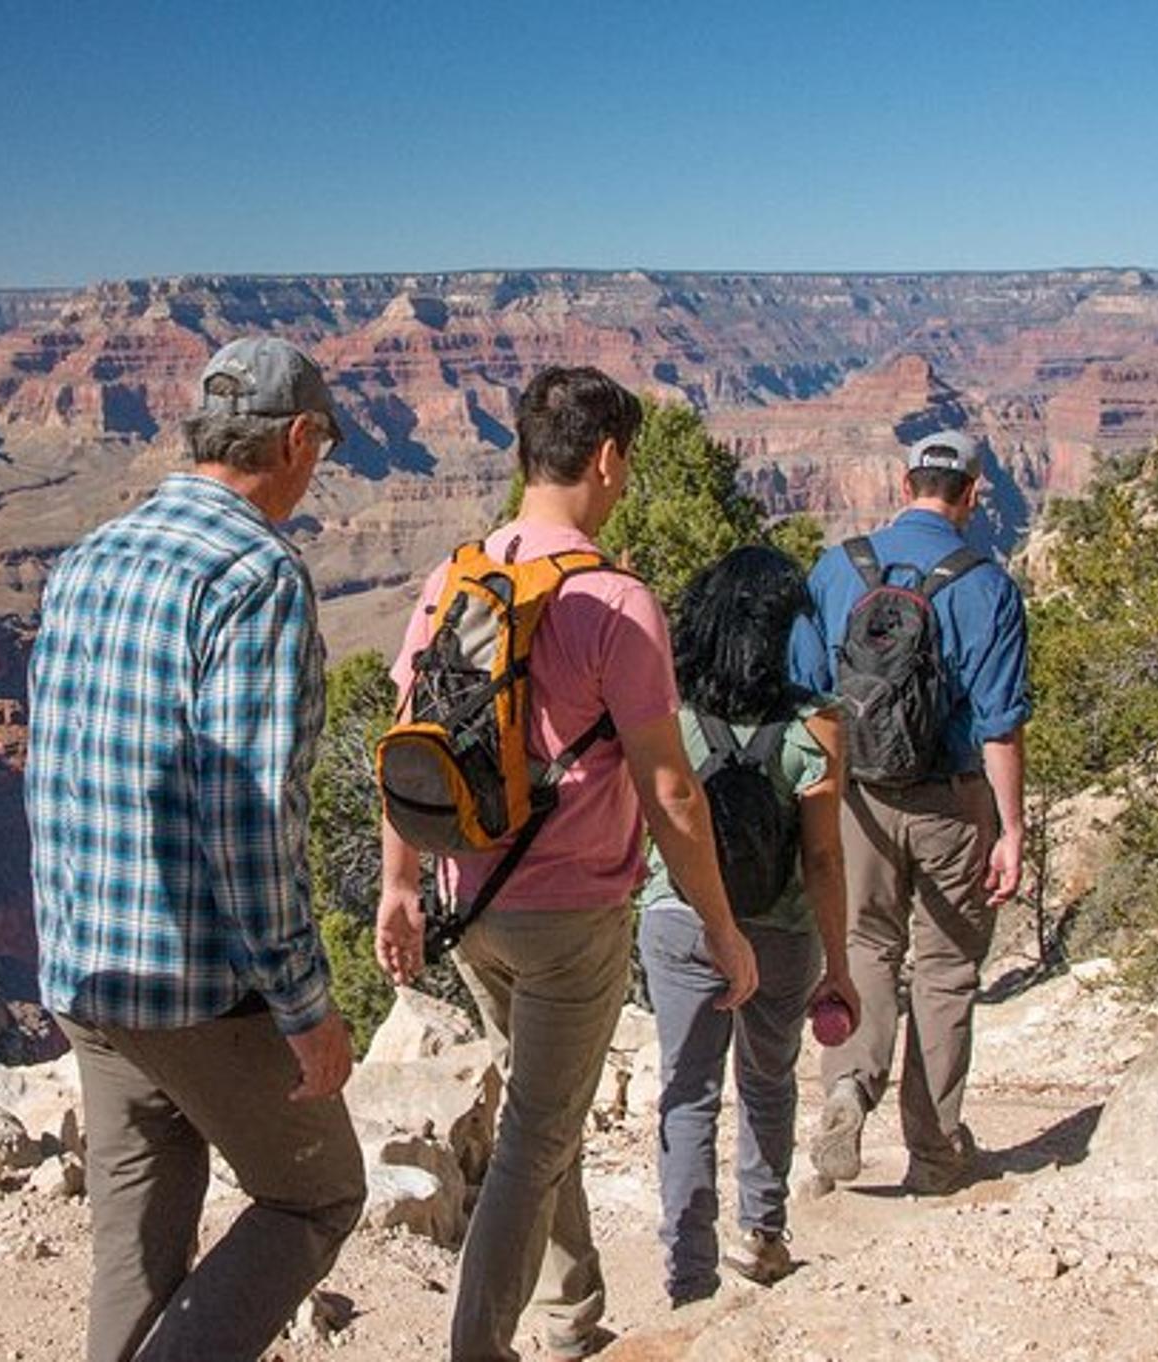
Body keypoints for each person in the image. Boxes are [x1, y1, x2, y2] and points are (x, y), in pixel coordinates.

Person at [376, 366, 758, 1362]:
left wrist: (399, 886)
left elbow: (406, 739)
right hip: (567, 922)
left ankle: (568, 1318)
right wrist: (721, 928)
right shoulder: (614, 601)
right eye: (624, 460)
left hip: (467, 901)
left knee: (543, 1113)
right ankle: (479, 1345)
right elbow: (670, 789)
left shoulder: (451, 576)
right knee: (534, 1138)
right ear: (603, 457)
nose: (626, 477)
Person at [24, 336, 365, 1362]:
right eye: (324, 448)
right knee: (315, 1196)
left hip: (86, 967)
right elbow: (250, 817)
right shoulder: (255, 574)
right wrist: (305, 1007)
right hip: (194, 986)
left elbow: (54, 757)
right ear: (297, 438)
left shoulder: (90, 554)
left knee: (134, 1245)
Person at [789, 429, 1032, 1194]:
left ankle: (846, 1090)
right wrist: (1012, 826)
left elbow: (803, 690)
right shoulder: (987, 586)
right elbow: (999, 723)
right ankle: (933, 1152)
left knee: (861, 946)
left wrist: (813, 796)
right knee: (947, 968)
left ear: (904, 485)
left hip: (856, 796)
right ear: (970, 494)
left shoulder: (837, 569)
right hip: (952, 802)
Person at [636, 546, 861, 1306]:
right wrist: (839, 964)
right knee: (768, 1082)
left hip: (680, 921)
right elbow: (825, 859)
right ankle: (762, 1233)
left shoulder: (665, 714)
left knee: (687, 1093)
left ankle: (688, 1275)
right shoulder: (818, 724)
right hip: (782, 926)